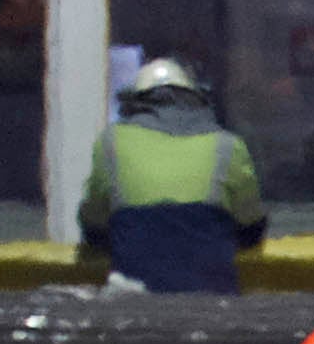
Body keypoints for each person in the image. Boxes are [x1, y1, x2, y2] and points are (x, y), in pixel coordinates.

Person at [78, 57, 266, 294]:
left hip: (134, 292)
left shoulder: (111, 143)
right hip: (213, 293)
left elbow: (93, 225)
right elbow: (252, 226)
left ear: (133, 102)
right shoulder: (228, 146)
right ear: (197, 100)